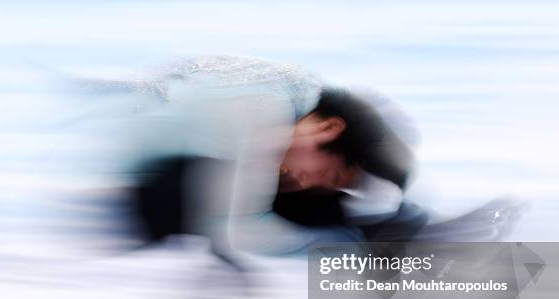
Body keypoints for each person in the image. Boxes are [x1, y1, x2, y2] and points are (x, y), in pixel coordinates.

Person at [114, 55, 428, 256]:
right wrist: (350, 239)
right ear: (329, 128)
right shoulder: (263, 109)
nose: (308, 183)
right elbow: (237, 232)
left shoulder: (295, 93)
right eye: (330, 176)